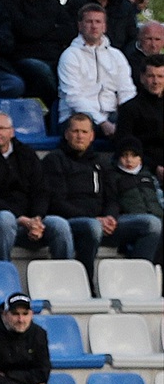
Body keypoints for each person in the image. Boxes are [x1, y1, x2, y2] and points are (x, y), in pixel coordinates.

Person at [43, 113, 161, 288]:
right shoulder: (54, 160)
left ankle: (136, 283)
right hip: (72, 222)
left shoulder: (101, 162)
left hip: (103, 222)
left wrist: (110, 217)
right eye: (75, 131)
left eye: (84, 132)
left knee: (152, 224)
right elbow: (56, 202)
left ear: (92, 136)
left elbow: (112, 198)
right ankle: (84, 283)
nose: (79, 136)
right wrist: (94, 219)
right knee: (92, 227)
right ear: (67, 134)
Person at [0, 111, 74, 262]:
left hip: (29, 220)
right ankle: (2, 272)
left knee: (59, 225)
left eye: (1, 128)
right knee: (5, 219)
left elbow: (41, 190)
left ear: (12, 132)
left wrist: (37, 219)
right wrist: (21, 219)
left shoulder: (27, 154)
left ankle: (64, 274)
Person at [0, 0, 73, 107]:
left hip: (55, 57)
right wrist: (51, 26)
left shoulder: (51, 1)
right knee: (41, 70)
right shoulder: (6, 1)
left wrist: (38, 31)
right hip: (23, 59)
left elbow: (69, 30)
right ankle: (60, 106)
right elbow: (25, 30)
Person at [57, 3, 136, 137]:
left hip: (111, 114)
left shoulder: (116, 55)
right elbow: (73, 97)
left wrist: (129, 116)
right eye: (89, 22)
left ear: (104, 26)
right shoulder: (70, 55)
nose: (94, 26)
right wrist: (102, 122)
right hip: (77, 117)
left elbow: (127, 91)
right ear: (80, 26)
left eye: (98, 22)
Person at [116, 54, 164, 183]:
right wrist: (155, 167)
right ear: (142, 78)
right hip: (144, 170)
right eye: (151, 76)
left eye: (160, 76)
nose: (156, 81)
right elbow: (123, 145)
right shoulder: (129, 108)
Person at [107, 136, 163, 237]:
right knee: (152, 223)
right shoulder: (113, 177)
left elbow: (160, 198)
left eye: (133, 155)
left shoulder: (148, 175)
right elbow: (112, 201)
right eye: (124, 155)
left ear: (140, 158)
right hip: (131, 218)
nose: (129, 160)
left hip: (157, 215)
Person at [124, 21, 164, 85]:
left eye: (157, 39)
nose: (153, 44)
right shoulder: (128, 61)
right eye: (149, 39)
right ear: (139, 38)